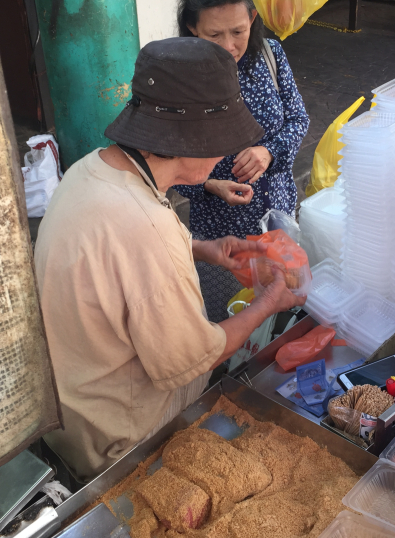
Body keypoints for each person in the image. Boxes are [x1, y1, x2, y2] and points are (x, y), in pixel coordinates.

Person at [34, 37, 305, 483]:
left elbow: (117, 260)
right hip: (121, 440)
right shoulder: (145, 226)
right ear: (190, 142)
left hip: (69, 415)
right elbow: (197, 354)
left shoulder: (89, 170)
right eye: (220, 143)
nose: (222, 156)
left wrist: (201, 247)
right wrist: (269, 304)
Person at [173, 0, 310, 322]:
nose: (229, 46)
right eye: (214, 35)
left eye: (238, 31)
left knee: (280, 309)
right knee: (230, 323)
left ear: (252, 18)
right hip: (222, 237)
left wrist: (269, 151)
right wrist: (208, 183)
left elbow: (299, 119)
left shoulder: (270, 55)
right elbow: (161, 163)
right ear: (192, 28)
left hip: (277, 219)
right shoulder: (178, 80)